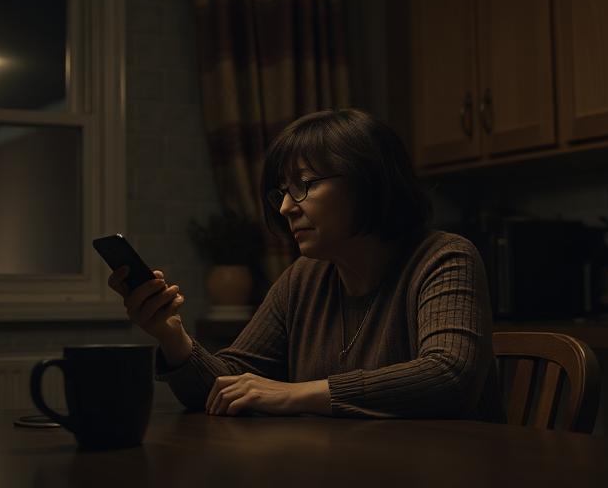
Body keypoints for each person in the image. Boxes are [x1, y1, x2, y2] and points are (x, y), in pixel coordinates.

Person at [108, 108, 502, 419]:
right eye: (282, 191)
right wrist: (172, 335)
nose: (284, 207)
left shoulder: (444, 257)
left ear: (368, 182)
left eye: (305, 184)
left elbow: (449, 375)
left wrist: (297, 393)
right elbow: (229, 386)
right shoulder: (304, 277)